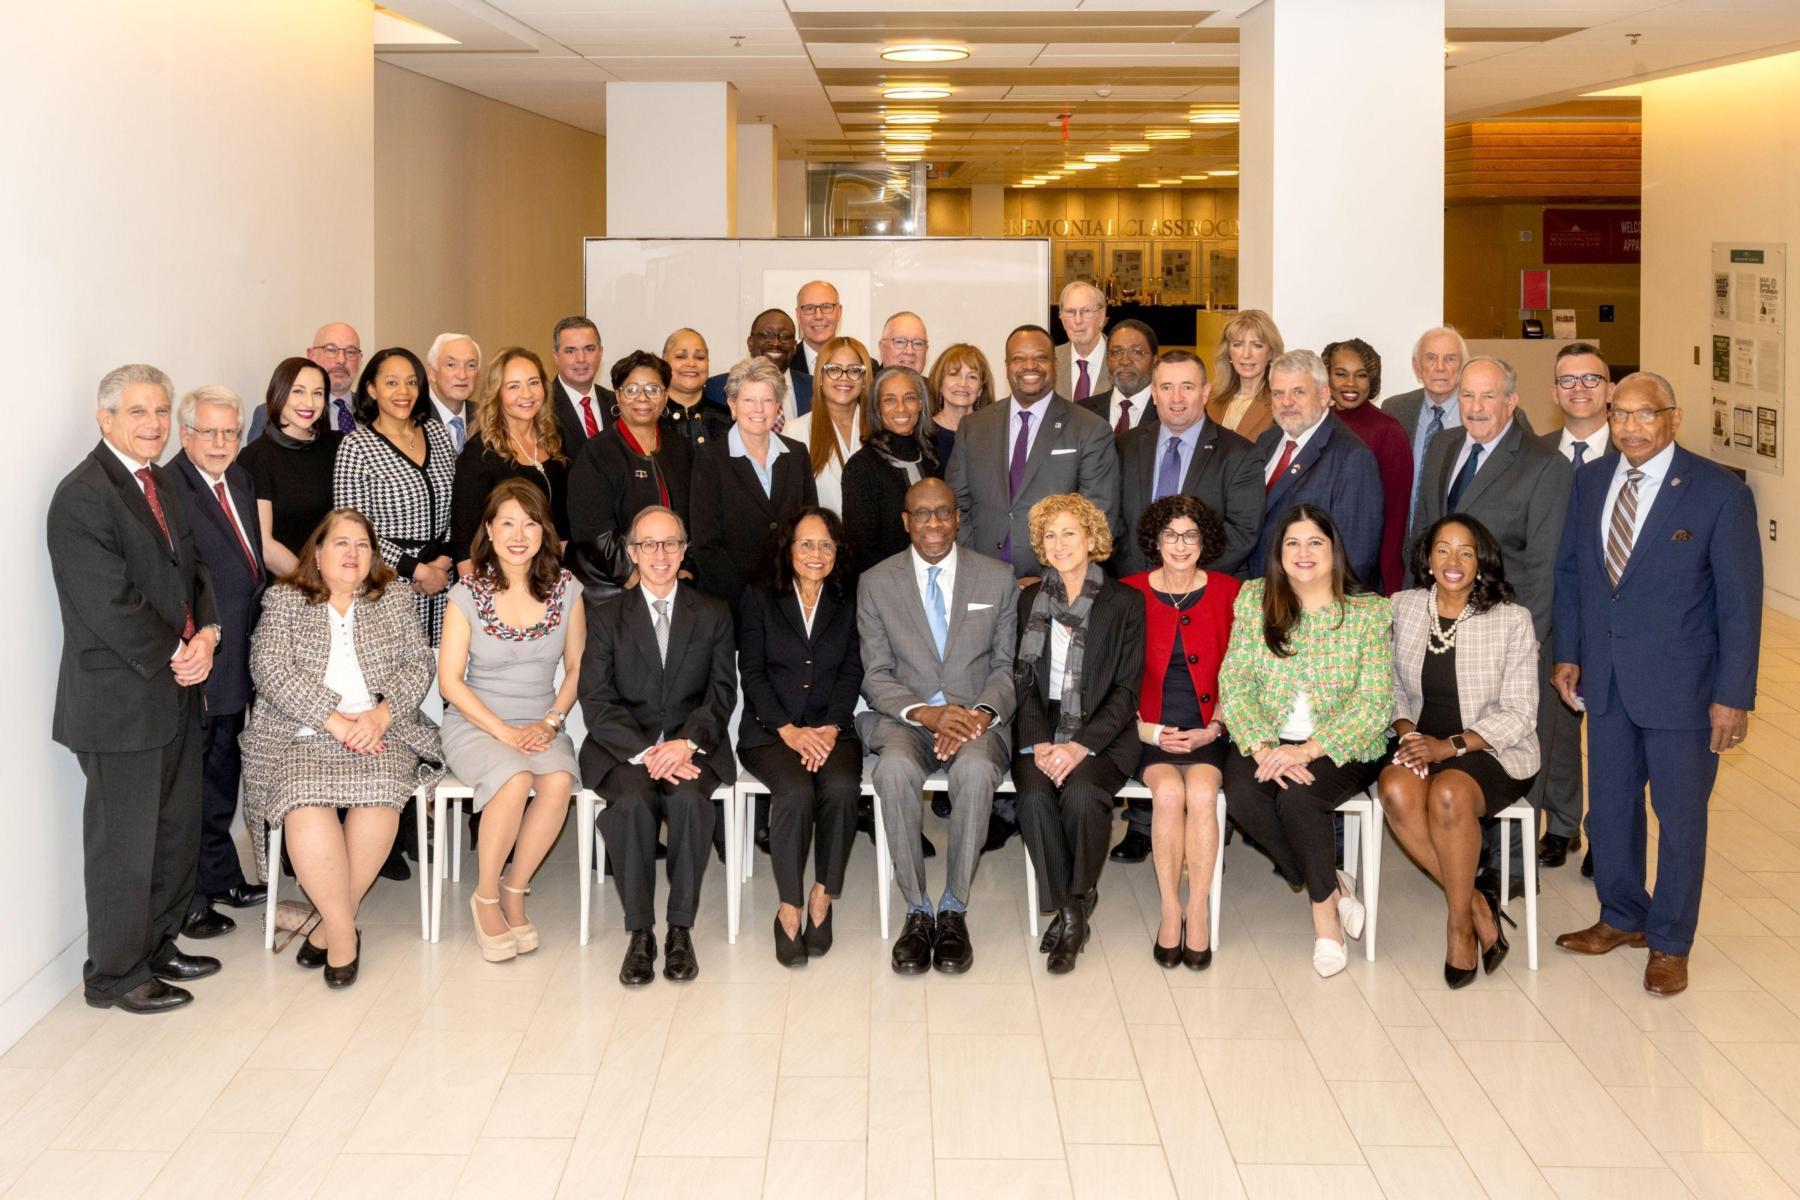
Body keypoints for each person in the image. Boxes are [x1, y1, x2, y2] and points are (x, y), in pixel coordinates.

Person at [1552, 373, 1761, 997]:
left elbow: (1740, 605)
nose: (1632, 427)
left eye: (1647, 415)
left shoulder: (1718, 492)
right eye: (1621, 415)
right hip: (1607, 681)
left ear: (1675, 417)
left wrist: (1734, 694)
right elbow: (1572, 574)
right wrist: (1569, 653)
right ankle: (1622, 916)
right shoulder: (1590, 482)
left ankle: (1670, 941)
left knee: (1679, 817)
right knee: (1611, 809)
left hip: (1686, 689)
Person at [50, 363, 221, 1014]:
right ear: (106, 419)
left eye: (159, 411)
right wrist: (180, 651)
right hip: (120, 702)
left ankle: (158, 946)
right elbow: (108, 602)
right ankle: (115, 975)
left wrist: (207, 633)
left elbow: (195, 566)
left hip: (176, 687)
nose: (153, 425)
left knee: (176, 828)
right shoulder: (83, 495)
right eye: (138, 413)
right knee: (125, 843)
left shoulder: (160, 483)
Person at [242, 508, 445, 988]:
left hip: (381, 731)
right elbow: (268, 669)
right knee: (302, 798)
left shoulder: (393, 597)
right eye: (341, 543)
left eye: (362, 545)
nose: (353, 554)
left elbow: (418, 664)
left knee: (381, 791)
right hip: (303, 731)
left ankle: (327, 928)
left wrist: (381, 715)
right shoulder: (286, 599)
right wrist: (332, 720)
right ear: (317, 551)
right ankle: (342, 932)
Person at [1218, 504, 1393, 978]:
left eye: (1315, 542)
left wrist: (1307, 750)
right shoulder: (1255, 599)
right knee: (1243, 795)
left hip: (1344, 744)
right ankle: (1333, 885)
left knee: (1298, 800)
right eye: (1292, 543)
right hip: (1266, 738)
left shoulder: (1368, 612)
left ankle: (1324, 921)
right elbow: (1234, 682)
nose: (1303, 552)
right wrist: (1261, 747)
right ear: (1278, 553)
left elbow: (1375, 703)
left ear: (1334, 550)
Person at [858, 477, 1017, 976]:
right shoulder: (876, 581)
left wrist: (975, 717)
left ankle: (953, 908)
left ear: (957, 517)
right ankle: (916, 908)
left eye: (943, 512)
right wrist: (926, 714)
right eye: (921, 514)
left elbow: (1005, 668)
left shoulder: (996, 577)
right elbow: (876, 675)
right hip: (906, 718)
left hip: (976, 719)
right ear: (906, 522)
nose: (933, 524)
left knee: (973, 774)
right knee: (894, 771)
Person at [1380, 516, 1540, 988]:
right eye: (1443, 550)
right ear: (1427, 559)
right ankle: (1475, 903)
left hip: (1491, 749)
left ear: (1481, 562)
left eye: (1466, 552)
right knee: (1394, 788)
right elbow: (1387, 684)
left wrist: (1447, 747)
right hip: (1420, 740)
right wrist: (1409, 733)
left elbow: (1520, 713)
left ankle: (1457, 929)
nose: (1454, 562)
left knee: (1448, 795)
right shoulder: (1404, 607)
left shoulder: (1510, 619)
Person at [580, 506, 738, 986]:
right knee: (630, 803)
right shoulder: (606, 616)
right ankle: (640, 932)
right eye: (649, 544)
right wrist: (649, 752)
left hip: (695, 745)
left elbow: (721, 692)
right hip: (626, 747)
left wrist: (687, 742)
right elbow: (596, 697)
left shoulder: (712, 611)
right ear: (632, 553)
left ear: (685, 550)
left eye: (671, 543)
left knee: (690, 803)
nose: (660, 554)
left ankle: (679, 930)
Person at [438, 480, 584, 963]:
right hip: (475, 721)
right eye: (507, 524)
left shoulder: (567, 589)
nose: (518, 535)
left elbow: (578, 667)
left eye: (529, 523)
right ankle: (484, 897)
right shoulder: (466, 593)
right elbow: (450, 683)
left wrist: (552, 720)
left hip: (541, 718)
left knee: (560, 779)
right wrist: (502, 733)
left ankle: (514, 889)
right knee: (515, 775)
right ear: (489, 530)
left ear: (544, 531)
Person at [1012, 494, 1144, 975]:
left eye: (1070, 532)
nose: (1060, 543)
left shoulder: (1125, 602)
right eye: (1050, 535)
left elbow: (1127, 690)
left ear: (1092, 539)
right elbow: (1021, 678)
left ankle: (1072, 906)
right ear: (1041, 547)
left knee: (1084, 794)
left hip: (1103, 728)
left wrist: (1078, 746)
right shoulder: (1029, 598)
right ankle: (1073, 907)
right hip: (1041, 724)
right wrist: (1039, 740)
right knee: (1032, 797)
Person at [736, 507, 864, 965]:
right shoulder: (759, 597)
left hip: (832, 728)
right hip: (771, 731)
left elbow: (853, 669)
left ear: (837, 553)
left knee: (843, 787)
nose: (816, 553)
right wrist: (788, 730)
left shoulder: (848, 599)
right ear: (788, 549)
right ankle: (789, 906)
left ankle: (822, 897)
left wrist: (830, 727)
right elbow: (751, 672)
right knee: (792, 791)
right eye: (806, 543)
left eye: (826, 545)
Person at [169, 384, 267, 939]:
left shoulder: (241, 478)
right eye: (209, 431)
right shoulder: (172, 489)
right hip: (205, 657)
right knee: (198, 780)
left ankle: (223, 873)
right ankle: (192, 899)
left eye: (230, 431)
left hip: (240, 653)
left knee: (224, 770)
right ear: (185, 435)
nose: (222, 441)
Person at [1123, 496, 1239, 968]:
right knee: (1169, 794)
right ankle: (1171, 911)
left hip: (1210, 730)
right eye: (1170, 534)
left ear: (1204, 541)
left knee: (1204, 794)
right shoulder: (1128, 592)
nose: (1180, 544)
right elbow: (1110, 676)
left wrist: (1216, 726)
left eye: (1190, 534)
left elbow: (1247, 671)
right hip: (1146, 731)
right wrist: (1148, 732)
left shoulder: (1233, 592)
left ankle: (1199, 909)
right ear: (1155, 539)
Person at [946, 324, 1121, 583]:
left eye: (1040, 358)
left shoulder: (1090, 429)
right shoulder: (973, 427)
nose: (1030, 366)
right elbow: (955, 503)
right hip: (981, 580)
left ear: (1055, 363)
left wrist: (1050, 576)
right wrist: (979, 564)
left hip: (1056, 583)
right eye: (1019, 359)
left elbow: (1098, 515)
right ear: (1006, 365)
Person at [1537, 342, 1615, 874]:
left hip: (1615, 618)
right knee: (1558, 726)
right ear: (1553, 391)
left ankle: (1608, 837)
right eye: (1568, 379)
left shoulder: (1636, 450)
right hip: (1552, 610)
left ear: (1610, 390)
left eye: (1592, 379)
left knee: (1612, 737)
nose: (1580, 389)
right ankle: (1562, 825)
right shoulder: (1535, 452)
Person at [334, 346, 456, 646]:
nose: (404, 391)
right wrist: (418, 571)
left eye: (412, 382)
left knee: (445, 675)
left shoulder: (437, 434)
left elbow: (459, 506)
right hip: (387, 584)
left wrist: (443, 563)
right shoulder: (356, 447)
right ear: (372, 389)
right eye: (391, 382)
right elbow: (354, 531)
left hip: (445, 581)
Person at [1113, 349, 1262, 580]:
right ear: (1154, 394)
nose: (1176, 398)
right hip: (1134, 589)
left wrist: (1184, 578)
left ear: (1205, 393)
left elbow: (1242, 532)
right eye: (1166, 387)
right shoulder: (1125, 446)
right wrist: (1137, 577)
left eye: (1187, 387)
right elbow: (1114, 520)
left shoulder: (1240, 454)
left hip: (1205, 591)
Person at [567, 350, 695, 603]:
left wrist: (687, 566)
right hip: (613, 590)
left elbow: (697, 515)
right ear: (618, 396)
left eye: (652, 389)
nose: (643, 398)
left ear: (665, 396)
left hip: (673, 582)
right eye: (632, 389)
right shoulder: (597, 452)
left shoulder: (681, 449)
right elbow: (594, 531)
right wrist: (636, 578)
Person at [690, 356, 819, 606]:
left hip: (788, 596)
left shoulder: (797, 454)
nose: (758, 410)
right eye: (748, 400)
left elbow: (808, 526)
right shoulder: (709, 458)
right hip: (730, 602)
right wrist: (750, 599)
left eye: (767, 400)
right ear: (732, 405)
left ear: (778, 407)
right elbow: (706, 545)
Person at [1250, 350, 1384, 588]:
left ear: (1324, 395)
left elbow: (1356, 557)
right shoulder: (1266, 442)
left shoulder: (1353, 457)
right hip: (1262, 597)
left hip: (1313, 611)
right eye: (1278, 393)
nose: (1286, 402)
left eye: (1298, 392)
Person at [450, 347, 571, 576]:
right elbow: (464, 534)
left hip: (550, 574)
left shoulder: (554, 439)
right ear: (497, 393)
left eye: (533, 383)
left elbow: (563, 523)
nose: (526, 394)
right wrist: (477, 595)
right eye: (513, 386)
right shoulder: (481, 452)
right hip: (498, 579)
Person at [1323, 338, 1413, 595]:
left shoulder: (1388, 431)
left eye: (1361, 375)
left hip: (1366, 575)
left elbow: (1396, 514)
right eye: (1341, 374)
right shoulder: (1317, 421)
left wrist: (1386, 578)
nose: (1350, 384)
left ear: (1372, 381)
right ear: (1327, 377)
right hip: (1316, 565)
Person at [240, 357, 343, 578]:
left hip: (342, 577)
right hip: (292, 587)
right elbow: (266, 547)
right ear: (279, 392)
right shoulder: (255, 457)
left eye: (317, 393)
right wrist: (317, 588)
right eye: (298, 391)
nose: (309, 403)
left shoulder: (339, 445)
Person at [842, 365, 941, 577]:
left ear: (921, 404)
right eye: (889, 400)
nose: (901, 408)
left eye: (909, 398)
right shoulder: (861, 467)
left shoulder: (935, 461)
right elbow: (862, 549)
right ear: (877, 408)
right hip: (885, 587)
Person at [1381, 325, 1466, 527]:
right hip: (1405, 545)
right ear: (1417, 366)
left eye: (1450, 358)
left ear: (1463, 366)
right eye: (1430, 358)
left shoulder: (1480, 414)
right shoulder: (1395, 410)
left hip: (1459, 545)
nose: (1440, 367)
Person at [787, 335, 871, 515]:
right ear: (819, 377)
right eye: (834, 369)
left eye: (854, 370)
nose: (844, 378)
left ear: (864, 379)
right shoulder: (794, 432)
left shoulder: (879, 430)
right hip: (822, 539)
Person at [246, 321, 362, 440]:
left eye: (350, 352)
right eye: (331, 350)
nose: (341, 360)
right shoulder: (269, 413)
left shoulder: (374, 410)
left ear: (360, 359)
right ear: (311, 355)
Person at [701, 308, 813, 426]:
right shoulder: (715, 389)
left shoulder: (815, 388)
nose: (776, 343)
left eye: (785, 336)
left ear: (795, 346)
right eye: (766, 335)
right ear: (750, 343)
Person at [1205, 309, 1282, 442]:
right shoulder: (1209, 398)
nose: (1246, 354)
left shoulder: (1280, 402)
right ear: (1228, 352)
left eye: (1257, 346)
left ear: (1271, 353)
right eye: (1238, 345)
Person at [1080, 319, 1160, 437]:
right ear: (1107, 360)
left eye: (1136, 352)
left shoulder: (1168, 413)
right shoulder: (1082, 412)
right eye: (1116, 352)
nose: (1125, 361)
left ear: (1155, 361)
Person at [547, 315, 615, 449]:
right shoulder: (542, 405)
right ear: (556, 357)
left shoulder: (617, 403)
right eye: (570, 351)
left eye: (589, 349)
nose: (581, 359)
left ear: (600, 353)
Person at [660, 327, 731, 450]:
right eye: (681, 356)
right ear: (663, 362)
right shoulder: (650, 418)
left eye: (700, 357)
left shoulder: (728, 420)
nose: (691, 363)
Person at [927, 342, 995, 464]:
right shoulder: (924, 433)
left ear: (980, 389)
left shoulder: (995, 433)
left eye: (972, 377)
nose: (963, 383)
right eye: (954, 374)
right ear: (940, 384)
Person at [1053, 280, 1110, 401]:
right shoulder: (1050, 360)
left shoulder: (1121, 360)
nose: (1078, 320)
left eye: (1086, 311)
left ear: (1101, 316)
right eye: (1070, 312)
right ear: (1062, 319)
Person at [425, 332, 482, 453]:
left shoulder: (486, 418)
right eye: (451, 365)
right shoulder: (412, 417)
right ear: (431, 372)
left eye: (471, 365)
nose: (462, 375)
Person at [795, 280, 843, 376]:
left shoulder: (864, 365)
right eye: (809, 308)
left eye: (826, 307)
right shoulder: (783, 366)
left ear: (839, 312)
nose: (818, 316)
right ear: (798, 315)